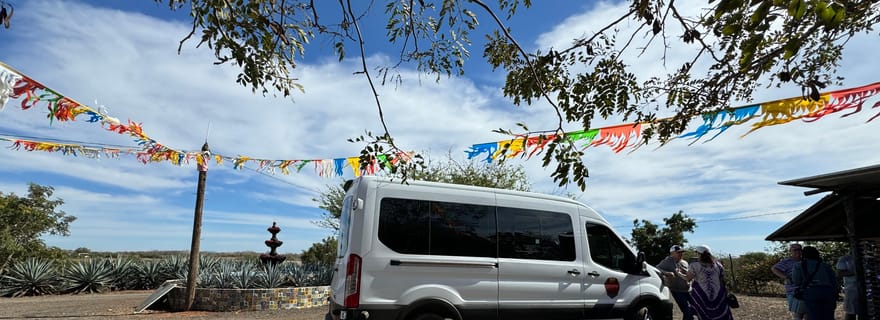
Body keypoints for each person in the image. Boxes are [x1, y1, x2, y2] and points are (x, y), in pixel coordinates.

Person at [684, 245, 733, 320]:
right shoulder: (718, 265)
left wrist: (678, 273)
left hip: (702, 294)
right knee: (720, 314)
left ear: (698, 254)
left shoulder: (694, 265)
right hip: (719, 294)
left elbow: (688, 278)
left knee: (704, 315)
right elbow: (722, 279)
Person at [792, 246, 838, 320]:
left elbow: (796, 282)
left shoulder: (798, 265)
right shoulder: (825, 265)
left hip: (811, 292)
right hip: (828, 292)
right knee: (828, 316)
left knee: (813, 316)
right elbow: (834, 281)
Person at [657, 245, 693, 320]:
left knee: (692, 310)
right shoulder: (667, 261)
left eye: (682, 252)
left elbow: (689, 275)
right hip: (677, 290)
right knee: (687, 311)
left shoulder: (684, 262)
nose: (681, 254)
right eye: (678, 252)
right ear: (672, 253)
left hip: (688, 290)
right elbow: (657, 268)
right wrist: (667, 273)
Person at [771, 243, 806, 320]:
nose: (798, 251)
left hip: (807, 291)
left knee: (808, 315)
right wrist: (786, 277)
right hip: (793, 291)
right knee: (797, 315)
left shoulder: (805, 261)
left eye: (799, 249)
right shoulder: (787, 261)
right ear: (790, 251)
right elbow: (774, 268)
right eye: (795, 250)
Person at [837, 252, 859, 320]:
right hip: (851, 289)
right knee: (851, 312)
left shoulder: (866, 257)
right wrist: (856, 272)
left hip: (867, 289)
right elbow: (840, 273)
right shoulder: (844, 259)